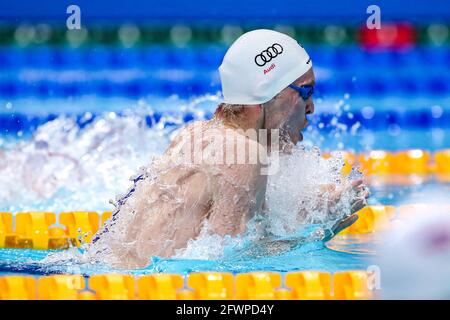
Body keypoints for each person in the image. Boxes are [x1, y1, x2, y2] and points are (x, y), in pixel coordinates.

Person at [89, 29, 369, 269]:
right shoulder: (246, 155)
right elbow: (227, 262)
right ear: (270, 92)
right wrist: (316, 235)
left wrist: (315, 209)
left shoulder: (198, 133)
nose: (311, 107)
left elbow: (230, 224)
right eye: (305, 92)